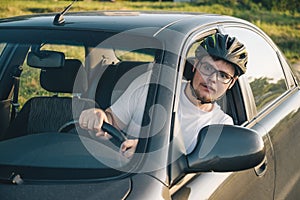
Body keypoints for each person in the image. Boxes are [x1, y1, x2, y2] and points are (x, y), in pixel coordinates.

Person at [79, 33, 248, 158]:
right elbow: (112, 121)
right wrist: (98, 115)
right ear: (195, 65)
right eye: (208, 68)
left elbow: (196, 175)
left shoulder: (222, 125)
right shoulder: (150, 85)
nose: (212, 79)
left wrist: (148, 151)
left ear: (231, 83)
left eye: (223, 76)